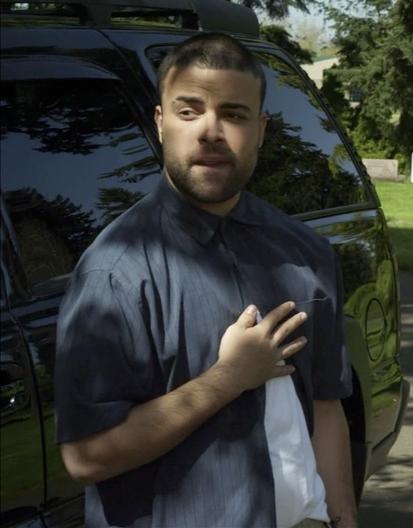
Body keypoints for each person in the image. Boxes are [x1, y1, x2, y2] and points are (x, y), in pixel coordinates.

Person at [54, 33, 357, 528]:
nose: (211, 131)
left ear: (260, 130)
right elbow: (85, 457)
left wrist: (342, 514)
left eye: (234, 114)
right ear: (160, 123)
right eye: (189, 111)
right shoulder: (116, 274)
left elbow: (325, 406)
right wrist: (228, 378)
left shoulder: (306, 253)